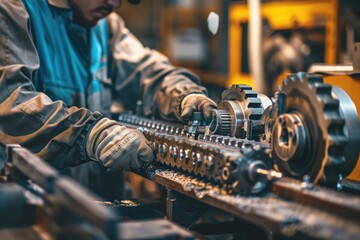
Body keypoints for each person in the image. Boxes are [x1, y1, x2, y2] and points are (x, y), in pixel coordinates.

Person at [0, 0, 217, 198]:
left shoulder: (106, 27)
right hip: (31, 212)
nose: (115, 3)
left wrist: (184, 94)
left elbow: (147, 72)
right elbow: (12, 104)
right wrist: (89, 134)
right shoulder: (14, 10)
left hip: (96, 208)